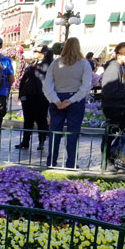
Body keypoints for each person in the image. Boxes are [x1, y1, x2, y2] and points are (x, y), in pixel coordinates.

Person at [42, 37, 93, 168]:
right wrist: (71, 100)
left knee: (55, 132)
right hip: (75, 100)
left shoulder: (55, 63)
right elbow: (86, 86)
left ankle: (51, 162)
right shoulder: (84, 64)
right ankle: (71, 164)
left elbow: (47, 85)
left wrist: (56, 100)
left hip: (58, 98)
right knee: (73, 133)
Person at [100, 42, 125, 171]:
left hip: (121, 106)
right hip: (114, 108)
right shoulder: (113, 68)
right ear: (118, 55)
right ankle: (107, 161)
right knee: (110, 133)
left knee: (115, 133)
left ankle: (114, 158)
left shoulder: (123, 68)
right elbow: (109, 92)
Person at [15, 45, 53, 151]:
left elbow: (39, 75)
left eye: (36, 51)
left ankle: (41, 141)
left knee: (41, 119)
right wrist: (20, 95)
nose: (33, 52)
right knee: (28, 119)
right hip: (27, 95)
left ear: (43, 53)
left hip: (41, 95)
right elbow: (23, 79)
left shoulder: (47, 64)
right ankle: (25, 141)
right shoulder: (31, 64)